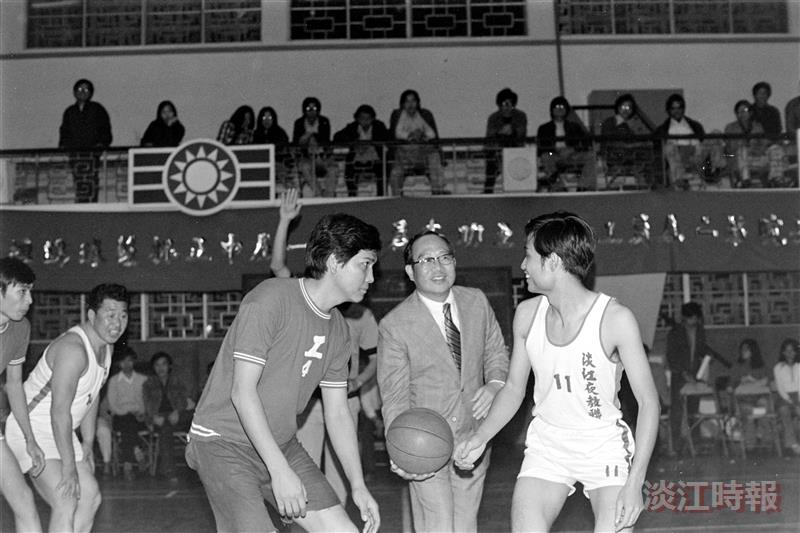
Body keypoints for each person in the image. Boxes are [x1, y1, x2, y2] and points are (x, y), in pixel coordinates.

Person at [454, 212, 659, 532]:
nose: (522, 266)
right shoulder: (526, 315)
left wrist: (635, 483)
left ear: (553, 262)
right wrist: (480, 437)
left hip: (603, 447)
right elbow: (512, 389)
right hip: (548, 448)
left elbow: (648, 403)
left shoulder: (615, 319)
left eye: (528, 255)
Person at [186, 213, 381, 533]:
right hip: (223, 443)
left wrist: (358, 486)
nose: (371, 277)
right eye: (365, 264)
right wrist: (280, 471)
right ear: (334, 262)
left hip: (281, 443)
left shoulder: (340, 331)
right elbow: (241, 392)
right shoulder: (270, 299)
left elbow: (338, 413)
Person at [377, 230, 509, 532]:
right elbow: (395, 397)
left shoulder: (476, 300)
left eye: (445, 257)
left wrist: (496, 384)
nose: (438, 267)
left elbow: (496, 352)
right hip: (424, 440)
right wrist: (400, 447)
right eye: (426, 260)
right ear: (411, 271)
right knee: (436, 525)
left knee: (465, 525)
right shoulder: (394, 325)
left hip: (474, 436)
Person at [5, 283, 129, 533]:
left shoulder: (107, 346)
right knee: (66, 497)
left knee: (91, 497)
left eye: (123, 315)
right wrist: (70, 467)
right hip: (29, 429)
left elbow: (92, 395)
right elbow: (58, 412)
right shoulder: (73, 350)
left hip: (61, 432)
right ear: (92, 315)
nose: (117, 322)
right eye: (110, 314)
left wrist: (88, 442)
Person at [0, 258, 44, 533]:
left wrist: (30, 439)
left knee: (24, 501)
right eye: (22, 292)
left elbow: (13, 385)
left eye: (30, 291)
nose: (29, 300)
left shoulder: (20, 328)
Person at [665, 301, 729, 452]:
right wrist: (683, 373)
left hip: (695, 374)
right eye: (691, 319)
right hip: (679, 376)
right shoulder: (674, 333)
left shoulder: (700, 330)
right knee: (678, 410)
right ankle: (675, 445)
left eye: (696, 319)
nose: (694, 322)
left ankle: (695, 441)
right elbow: (671, 356)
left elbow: (700, 349)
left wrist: (707, 357)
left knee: (693, 409)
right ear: (684, 318)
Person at [58, 78, 112, 203]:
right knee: (78, 181)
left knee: (91, 181)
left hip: (91, 154)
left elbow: (106, 129)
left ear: (91, 93)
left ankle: (91, 207)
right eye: (80, 89)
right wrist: (64, 146)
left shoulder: (97, 109)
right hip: (75, 154)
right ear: (75, 92)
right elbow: (64, 131)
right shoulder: (69, 111)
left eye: (86, 89)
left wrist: (101, 145)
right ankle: (80, 206)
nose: (83, 92)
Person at [142, 351, 193, 482]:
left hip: (177, 415)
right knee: (166, 428)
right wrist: (153, 417)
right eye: (157, 365)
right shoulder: (148, 384)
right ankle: (170, 471)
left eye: (164, 364)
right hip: (158, 418)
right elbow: (147, 404)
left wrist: (177, 411)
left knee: (195, 419)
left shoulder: (177, 381)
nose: (161, 368)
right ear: (153, 367)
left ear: (169, 366)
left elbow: (183, 400)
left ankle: (196, 468)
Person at [388, 89, 447, 195]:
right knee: (395, 173)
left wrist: (421, 135)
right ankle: (396, 199)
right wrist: (411, 136)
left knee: (434, 158)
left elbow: (432, 134)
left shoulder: (425, 114)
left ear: (418, 102)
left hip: (423, 153)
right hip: (404, 155)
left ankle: (438, 193)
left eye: (413, 101)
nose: (410, 104)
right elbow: (397, 133)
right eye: (407, 101)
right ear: (402, 104)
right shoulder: (397, 114)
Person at [536, 96, 595, 191]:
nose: (559, 109)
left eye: (562, 107)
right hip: (553, 154)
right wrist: (555, 151)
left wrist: (573, 149)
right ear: (552, 110)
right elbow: (541, 147)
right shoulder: (544, 128)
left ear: (566, 110)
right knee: (545, 156)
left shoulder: (574, 126)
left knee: (591, 155)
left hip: (572, 154)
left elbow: (586, 142)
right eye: (557, 107)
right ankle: (558, 187)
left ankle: (583, 186)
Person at [106, 345, 148, 479]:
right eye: (123, 361)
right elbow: (113, 406)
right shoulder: (113, 381)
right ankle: (135, 454)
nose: (126, 364)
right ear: (119, 364)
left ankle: (128, 464)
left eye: (129, 360)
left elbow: (146, 401)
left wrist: (140, 412)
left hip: (140, 418)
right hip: (120, 417)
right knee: (127, 422)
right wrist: (130, 411)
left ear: (134, 361)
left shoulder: (143, 380)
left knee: (129, 426)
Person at [653, 94, 712, 188]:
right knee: (669, 147)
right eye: (673, 108)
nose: (677, 111)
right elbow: (659, 150)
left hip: (695, 155)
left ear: (683, 108)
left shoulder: (695, 126)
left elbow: (702, 143)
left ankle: (713, 172)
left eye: (679, 107)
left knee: (715, 134)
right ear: (668, 110)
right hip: (677, 156)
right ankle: (680, 179)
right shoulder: (662, 130)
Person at [333, 104, 391, 197]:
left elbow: (388, 137)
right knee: (349, 171)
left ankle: (381, 196)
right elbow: (337, 137)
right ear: (357, 119)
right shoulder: (352, 127)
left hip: (375, 158)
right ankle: (352, 196)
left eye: (368, 118)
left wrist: (372, 142)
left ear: (373, 119)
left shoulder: (379, 126)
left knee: (382, 170)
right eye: (362, 118)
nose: (365, 121)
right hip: (357, 159)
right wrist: (354, 142)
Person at [600, 93, 655, 186]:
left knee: (648, 152)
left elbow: (634, 140)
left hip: (630, 154)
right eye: (623, 106)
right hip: (615, 154)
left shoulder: (630, 125)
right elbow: (608, 141)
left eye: (629, 108)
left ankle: (648, 184)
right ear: (618, 107)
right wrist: (630, 145)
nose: (626, 110)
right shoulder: (609, 122)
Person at [726, 338, 769, 448]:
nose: (743, 351)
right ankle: (751, 444)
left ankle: (767, 441)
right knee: (750, 414)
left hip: (758, 398)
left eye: (747, 349)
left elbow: (767, 382)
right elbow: (730, 387)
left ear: (753, 351)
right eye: (742, 349)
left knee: (764, 404)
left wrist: (754, 381)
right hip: (742, 401)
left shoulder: (761, 366)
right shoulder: (737, 366)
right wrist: (739, 382)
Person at [292, 97, 338, 197]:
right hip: (307, 157)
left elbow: (325, 139)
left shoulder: (324, 121)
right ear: (304, 110)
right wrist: (307, 136)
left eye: (314, 108)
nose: (312, 112)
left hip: (322, 157)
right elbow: (297, 142)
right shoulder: (299, 123)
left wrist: (312, 135)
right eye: (309, 109)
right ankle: (318, 193)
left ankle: (329, 195)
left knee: (333, 169)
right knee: (304, 167)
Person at [484, 88, 528, 193]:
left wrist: (511, 129)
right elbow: (490, 135)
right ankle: (488, 190)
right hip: (497, 150)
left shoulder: (520, 116)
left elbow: (521, 132)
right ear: (499, 104)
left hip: (516, 150)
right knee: (491, 164)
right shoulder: (493, 117)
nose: (507, 106)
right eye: (504, 103)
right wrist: (501, 131)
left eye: (510, 103)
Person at [723, 99, 770, 187]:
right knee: (742, 150)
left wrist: (754, 149)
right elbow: (731, 147)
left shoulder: (757, 126)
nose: (742, 114)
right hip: (736, 158)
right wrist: (746, 146)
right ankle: (745, 180)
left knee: (774, 149)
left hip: (755, 157)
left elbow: (764, 144)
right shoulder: (730, 128)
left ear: (751, 112)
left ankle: (777, 179)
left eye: (744, 110)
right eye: (738, 112)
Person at [773, 338, 800, 455]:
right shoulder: (778, 368)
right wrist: (792, 402)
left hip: (798, 395)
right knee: (784, 410)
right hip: (783, 398)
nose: (790, 354)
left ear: (796, 352)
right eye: (787, 351)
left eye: (792, 351)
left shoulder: (799, 366)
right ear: (783, 352)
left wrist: (798, 403)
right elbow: (780, 389)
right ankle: (793, 443)